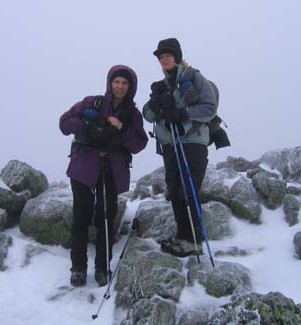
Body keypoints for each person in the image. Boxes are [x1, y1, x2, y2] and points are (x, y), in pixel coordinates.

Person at [59, 65, 148, 287]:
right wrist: (89, 128)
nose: (120, 87)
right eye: (116, 82)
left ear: (131, 87)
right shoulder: (92, 103)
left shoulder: (133, 115)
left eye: (124, 83)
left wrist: (120, 129)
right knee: (81, 216)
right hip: (83, 166)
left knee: (105, 218)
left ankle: (102, 268)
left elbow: (139, 143)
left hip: (111, 169)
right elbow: (64, 122)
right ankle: (78, 268)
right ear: (110, 83)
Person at [143, 38, 217, 257]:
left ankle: (194, 240)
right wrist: (156, 102)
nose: (164, 59)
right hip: (170, 143)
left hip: (193, 140)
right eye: (161, 57)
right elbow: (147, 115)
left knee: (189, 188)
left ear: (177, 56)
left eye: (168, 55)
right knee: (174, 190)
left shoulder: (194, 78)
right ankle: (182, 236)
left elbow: (209, 107)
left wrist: (183, 114)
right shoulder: (162, 85)